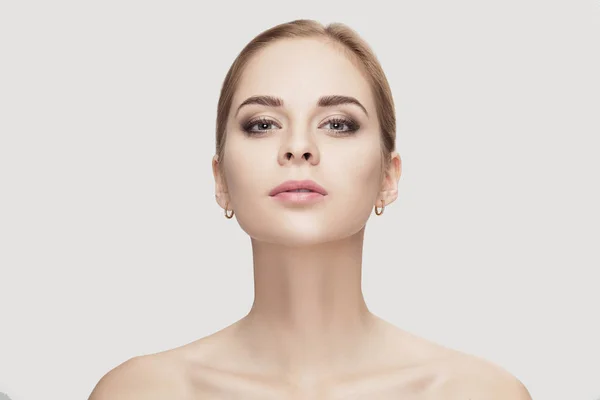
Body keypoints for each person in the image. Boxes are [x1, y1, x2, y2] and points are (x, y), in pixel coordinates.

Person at [89, 19, 532, 399]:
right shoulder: (139, 391)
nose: (298, 147)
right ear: (220, 180)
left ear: (388, 177)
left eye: (338, 124)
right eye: (262, 124)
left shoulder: (477, 392)